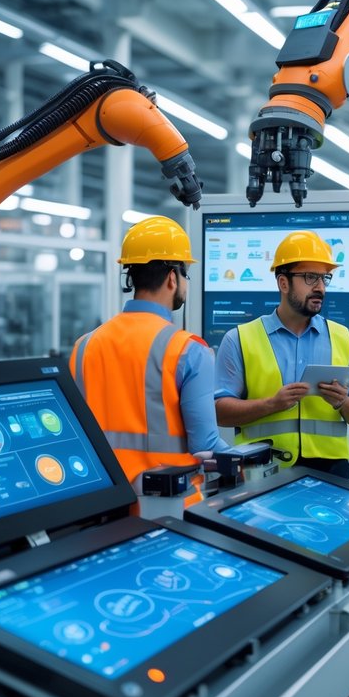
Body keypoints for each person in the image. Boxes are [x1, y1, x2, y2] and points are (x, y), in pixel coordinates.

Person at [70, 215, 224, 505]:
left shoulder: (84, 346)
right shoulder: (188, 349)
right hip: (169, 504)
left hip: (100, 503)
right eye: (186, 274)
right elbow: (206, 445)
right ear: (172, 277)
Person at [214, 230, 349, 478]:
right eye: (310, 278)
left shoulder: (345, 339)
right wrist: (271, 405)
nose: (320, 287)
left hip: (330, 473)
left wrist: (343, 401)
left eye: (324, 278)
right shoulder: (239, 339)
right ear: (283, 282)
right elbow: (219, 412)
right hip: (261, 470)